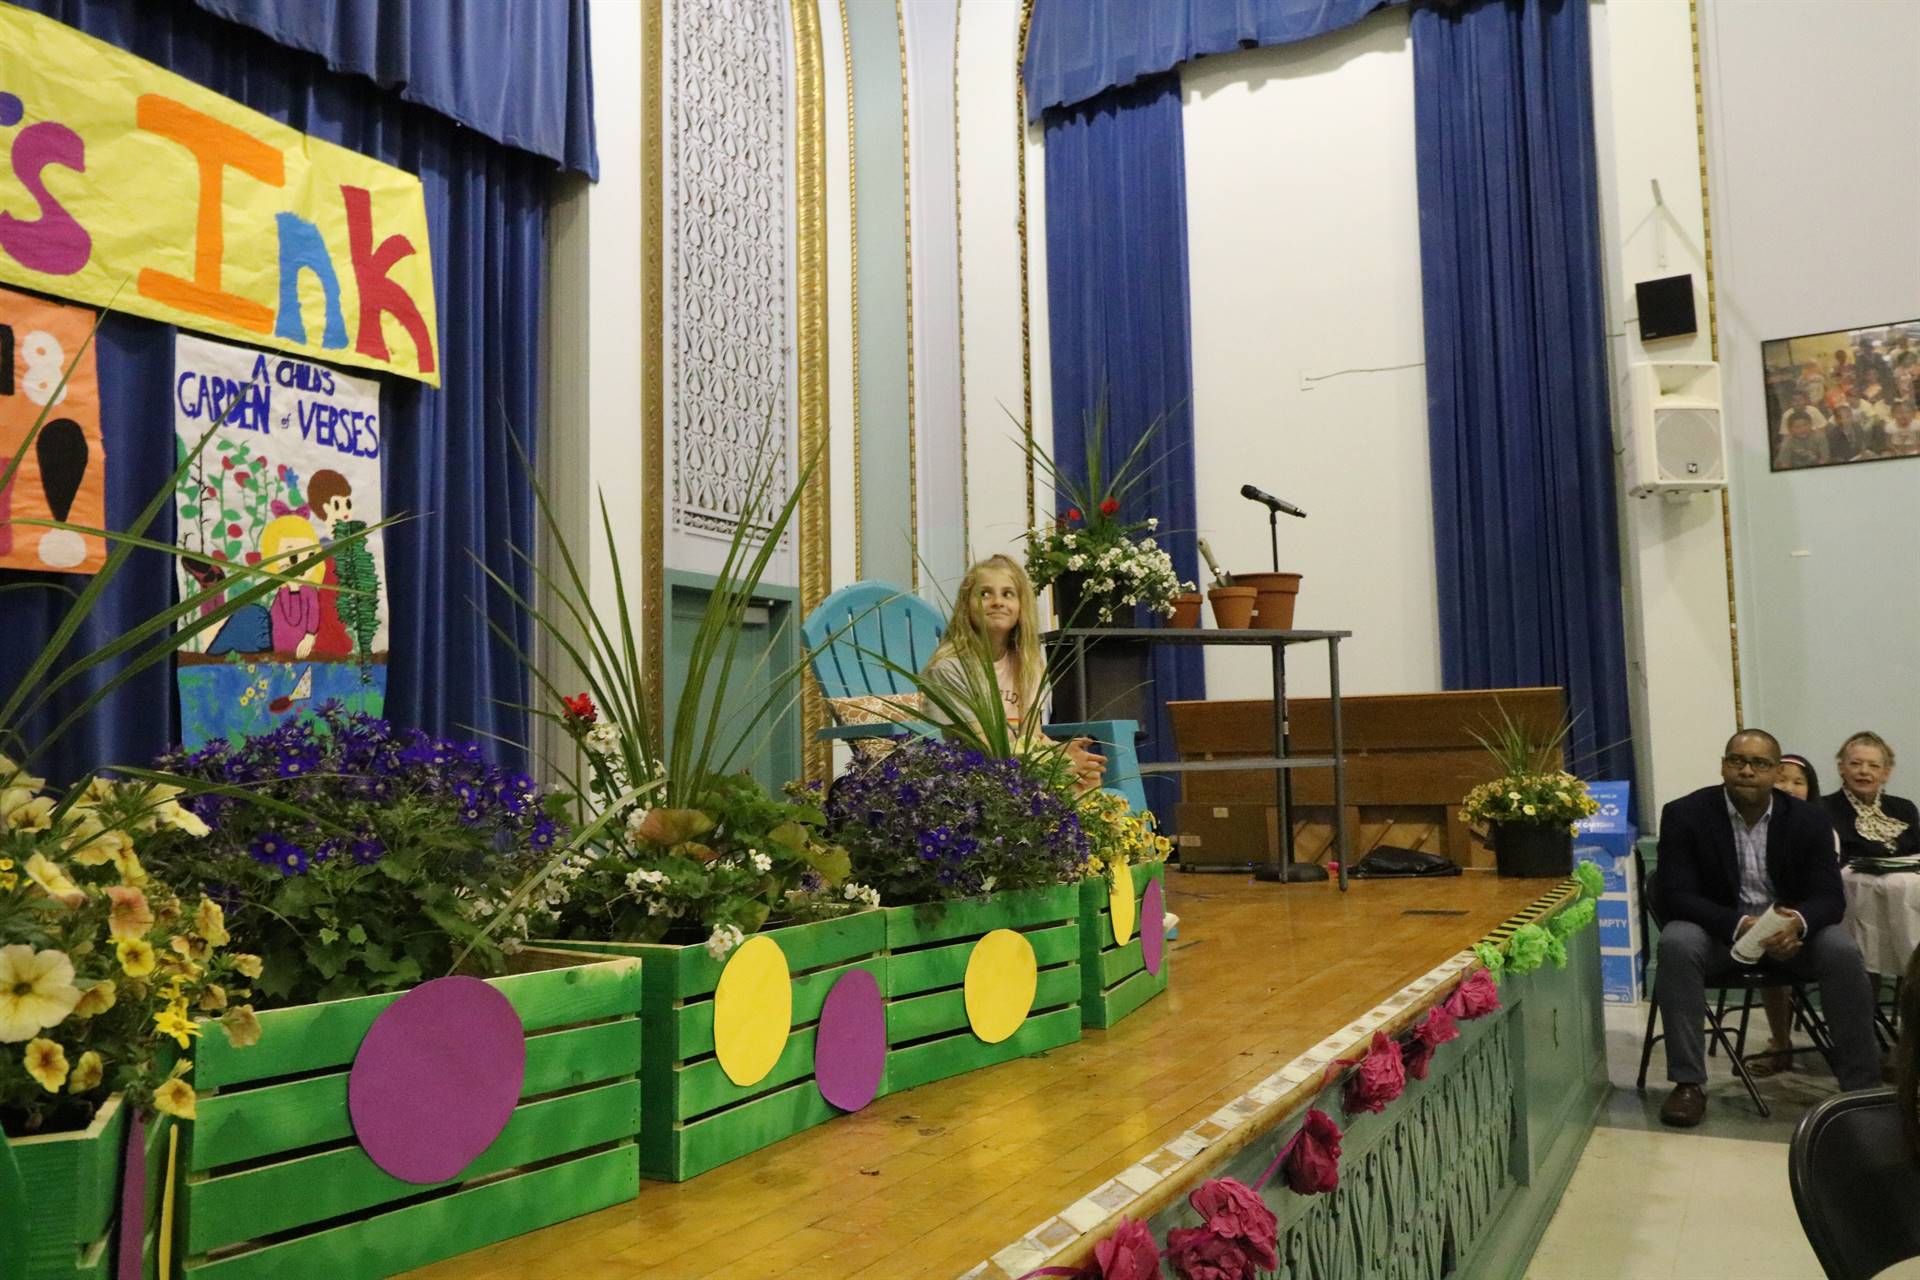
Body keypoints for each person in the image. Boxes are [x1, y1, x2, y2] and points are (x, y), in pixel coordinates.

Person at [1653, 729, 1882, 1127]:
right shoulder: (1684, 813)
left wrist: (1796, 922)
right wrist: (1741, 924)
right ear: (1723, 766)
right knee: (1676, 941)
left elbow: (1829, 895)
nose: (1746, 771)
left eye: (1759, 764)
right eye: (1736, 761)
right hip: (1719, 933)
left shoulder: (1809, 819)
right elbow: (1675, 894)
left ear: (1776, 772)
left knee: (1841, 949)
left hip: (1790, 937)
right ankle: (1688, 1084)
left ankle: (1861, 1085)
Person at [921, 555, 1104, 792]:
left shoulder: (1027, 663)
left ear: (1021, 607)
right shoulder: (950, 668)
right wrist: (1056, 761)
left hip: (1022, 768)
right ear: (967, 605)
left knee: (1086, 780)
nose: (997, 602)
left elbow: (1031, 737)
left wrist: (1062, 754)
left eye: (1008, 594)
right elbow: (985, 746)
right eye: (985, 594)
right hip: (972, 774)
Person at [1745, 753, 1829, 1078]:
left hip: (1813, 920)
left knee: (1841, 949)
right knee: (1772, 942)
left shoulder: (1817, 826)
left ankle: (1852, 1057)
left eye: (1798, 781)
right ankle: (1780, 1041)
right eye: (1782, 779)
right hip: (1761, 920)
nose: (1789, 787)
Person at [1820, 730, 1920, 863]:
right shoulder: (1822, 808)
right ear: (1841, 768)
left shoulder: (1905, 809)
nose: (1864, 771)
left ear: (1886, 773)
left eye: (1874, 766)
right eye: (1855, 763)